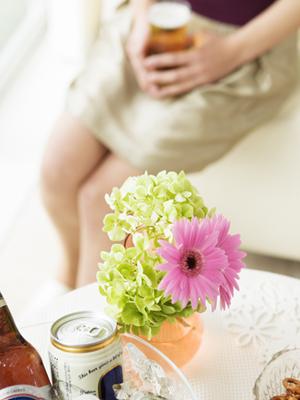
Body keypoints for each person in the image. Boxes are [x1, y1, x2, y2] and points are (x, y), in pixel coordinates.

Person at [40, 0, 300, 294]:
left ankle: (91, 322)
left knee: (103, 199)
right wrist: (141, 20)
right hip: (155, 23)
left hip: (243, 46)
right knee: (58, 169)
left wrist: (229, 53)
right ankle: (67, 275)